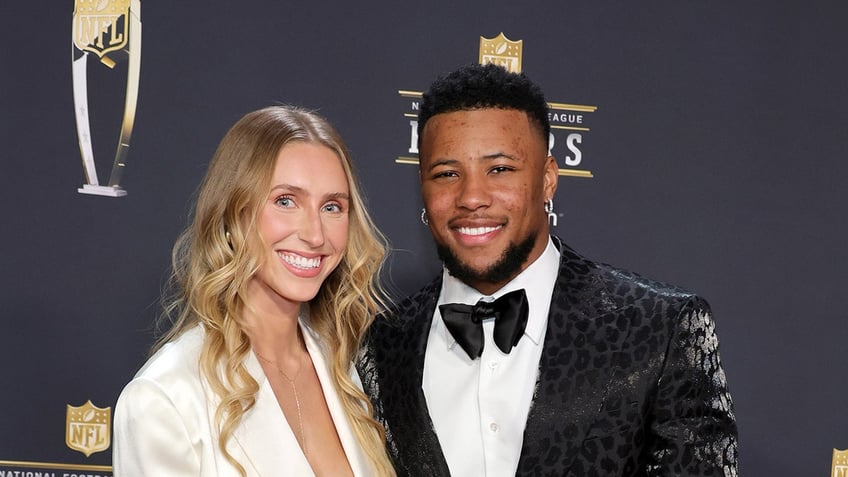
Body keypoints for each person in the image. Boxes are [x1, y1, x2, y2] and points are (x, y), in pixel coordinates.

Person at [357, 64, 738, 476]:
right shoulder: (380, 346)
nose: (471, 197)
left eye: (499, 169)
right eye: (447, 174)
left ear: (548, 179)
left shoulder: (660, 328)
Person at [114, 106, 396, 477]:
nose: (315, 235)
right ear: (233, 214)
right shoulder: (165, 398)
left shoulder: (348, 372)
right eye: (285, 201)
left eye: (332, 206)